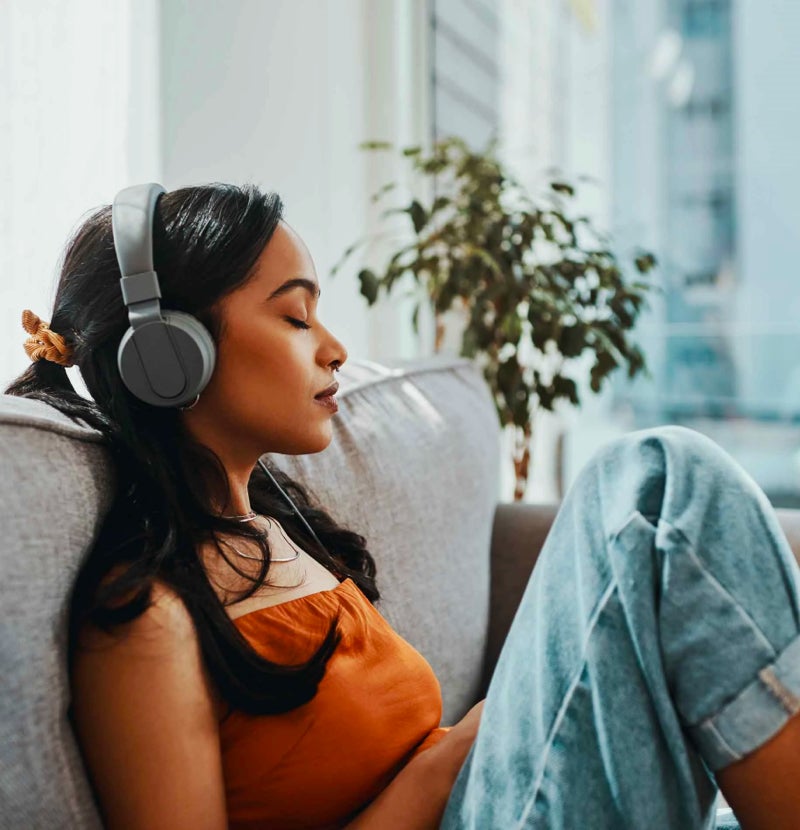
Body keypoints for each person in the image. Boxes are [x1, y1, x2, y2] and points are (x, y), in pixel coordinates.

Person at [6, 183, 800, 830]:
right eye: (294, 315)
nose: (334, 348)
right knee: (653, 484)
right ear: (169, 357)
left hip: (490, 796)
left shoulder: (287, 538)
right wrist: (444, 764)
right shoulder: (147, 622)